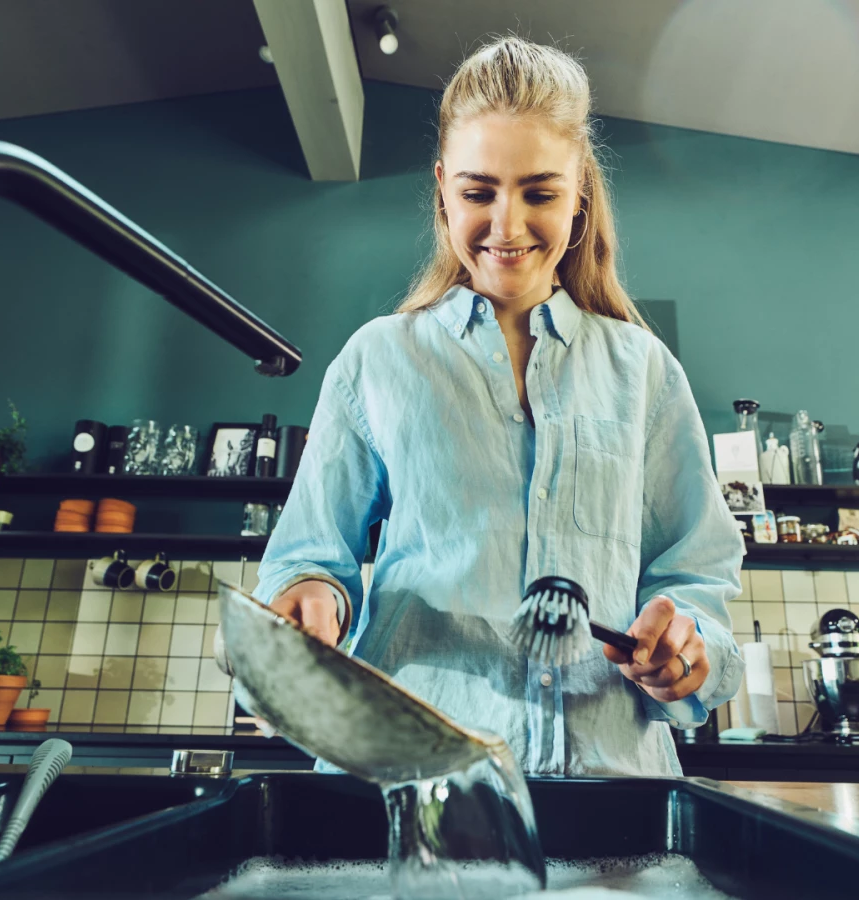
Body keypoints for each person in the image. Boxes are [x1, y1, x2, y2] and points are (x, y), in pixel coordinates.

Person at [222, 36, 744, 777]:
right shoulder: (379, 359)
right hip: (407, 785)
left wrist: (690, 647)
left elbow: (696, 574)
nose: (506, 227)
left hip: (613, 803)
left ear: (580, 193)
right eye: (478, 192)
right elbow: (310, 556)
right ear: (442, 188)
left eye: (540, 192)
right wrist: (310, 600)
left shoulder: (646, 372)